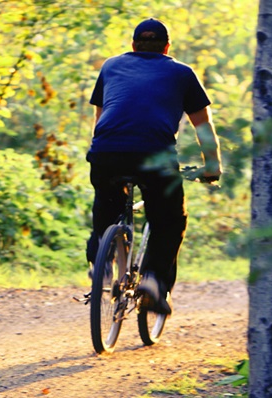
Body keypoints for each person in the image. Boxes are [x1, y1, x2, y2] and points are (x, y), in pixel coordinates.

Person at [86, 18, 222, 315]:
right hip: (154, 157)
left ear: (133, 46)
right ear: (167, 47)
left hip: (106, 152)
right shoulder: (182, 72)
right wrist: (211, 167)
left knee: (107, 203)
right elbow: (203, 126)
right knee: (169, 220)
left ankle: (100, 259)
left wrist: (103, 153)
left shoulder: (111, 66)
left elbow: (100, 118)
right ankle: (153, 282)